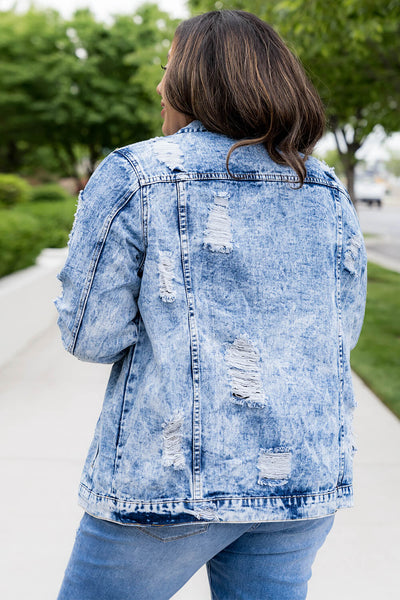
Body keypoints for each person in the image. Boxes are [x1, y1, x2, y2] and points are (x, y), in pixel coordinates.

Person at [55, 9, 367, 600]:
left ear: (196, 80)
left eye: (168, 67)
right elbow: (339, 335)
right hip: (300, 479)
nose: (159, 84)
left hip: (171, 482)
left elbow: (89, 336)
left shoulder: (137, 175)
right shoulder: (324, 187)